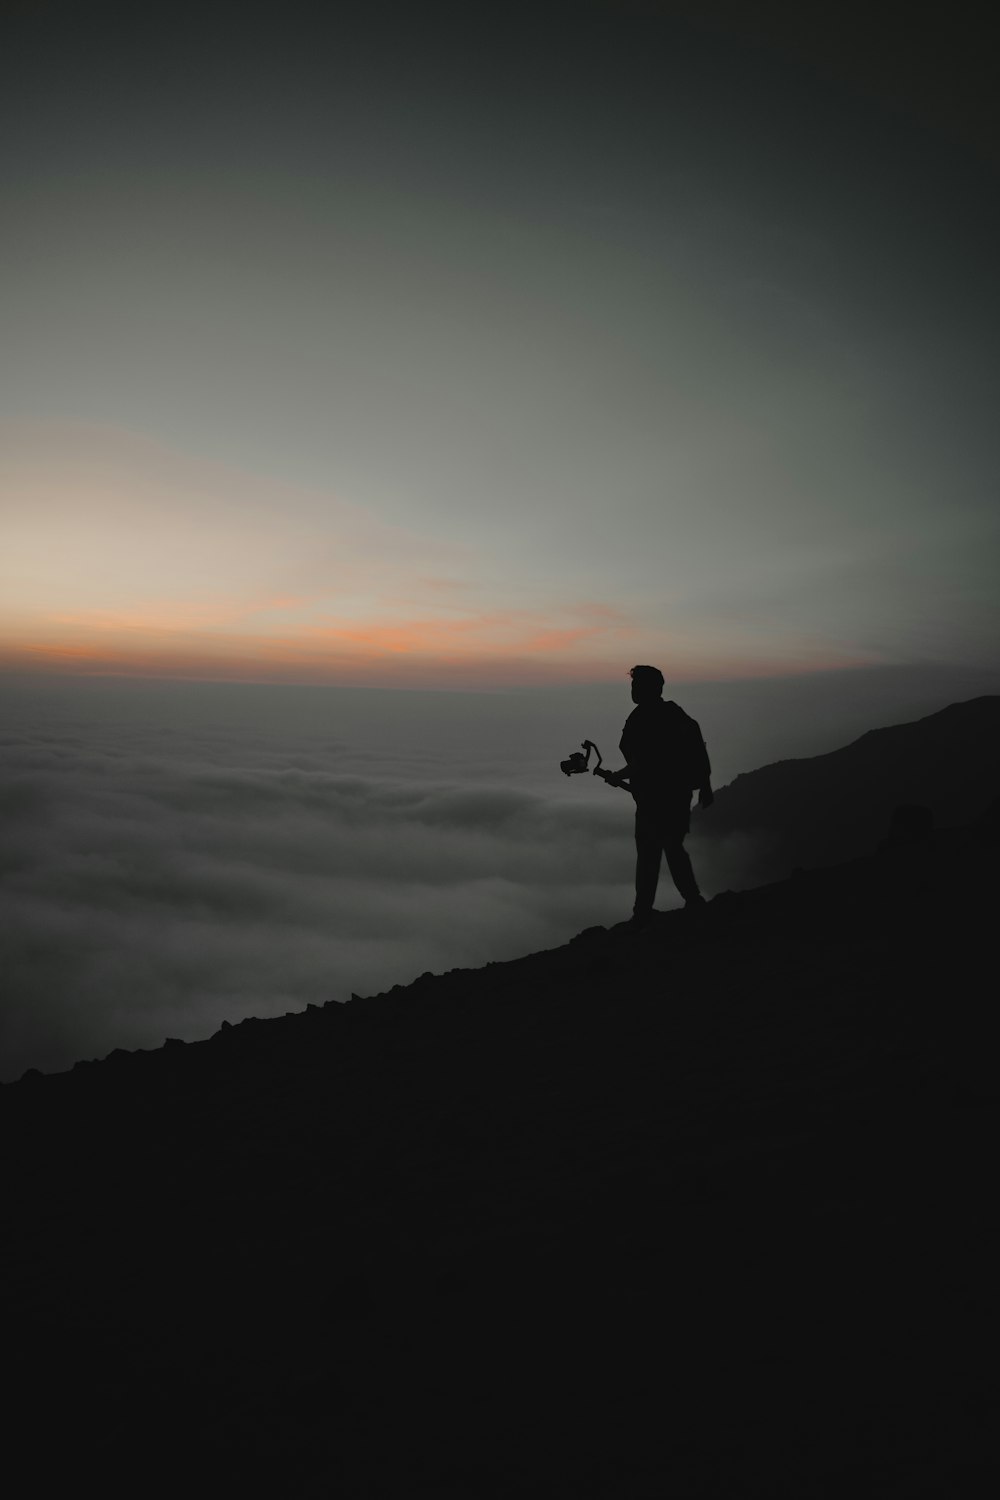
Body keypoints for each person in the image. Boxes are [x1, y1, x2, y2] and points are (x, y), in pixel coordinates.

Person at [606, 665, 714, 928]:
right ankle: (688, 901)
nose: (633, 691)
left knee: (653, 852)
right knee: (667, 849)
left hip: (660, 798)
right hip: (667, 797)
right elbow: (649, 761)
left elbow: (646, 762)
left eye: (636, 686)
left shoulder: (646, 719)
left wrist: (621, 775)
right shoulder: (669, 715)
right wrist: (705, 785)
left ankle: (647, 910)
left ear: (651, 688)